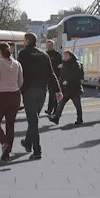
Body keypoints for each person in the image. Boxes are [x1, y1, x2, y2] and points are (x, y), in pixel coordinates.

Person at [18, 31, 60, 160]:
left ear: (27, 41)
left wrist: (18, 90)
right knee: (34, 119)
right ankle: (28, 143)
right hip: (42, 91)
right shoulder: (44, 55)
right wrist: (58, 90)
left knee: (33, 121)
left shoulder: (23, 54)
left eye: (24, 40)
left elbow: (19, 72)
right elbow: (51, 73)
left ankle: (37, 150)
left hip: (29, 90)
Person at [0, 42, 22, 160]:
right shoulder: (17, 64)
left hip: (1, 96)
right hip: (15, 96)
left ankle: (4, 143)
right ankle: (9, 149)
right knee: (10, 124)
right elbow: (20, 81)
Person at [50, 49, 84, 125]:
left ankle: (79, 118)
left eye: (66, 55)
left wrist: (67, 80)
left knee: (77, 105)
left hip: (74, 88)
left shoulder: (76, 63)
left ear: (70, 56)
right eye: (64, 55)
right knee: (61, 103)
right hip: (66, 88)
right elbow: (62, 74)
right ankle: (56, 118)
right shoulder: (64, 63)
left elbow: (76, 75)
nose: (64, 57)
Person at [44, 39, 63, 116]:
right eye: (48, 45)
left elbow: (60, 65)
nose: (49, 47)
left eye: (50, 45)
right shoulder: (45, 54)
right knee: (51, 94)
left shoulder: (57, 54)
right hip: (47, 76)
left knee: (54, 94)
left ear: (53, 45)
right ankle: (51, 109)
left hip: (56, 77)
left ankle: (53, 110)